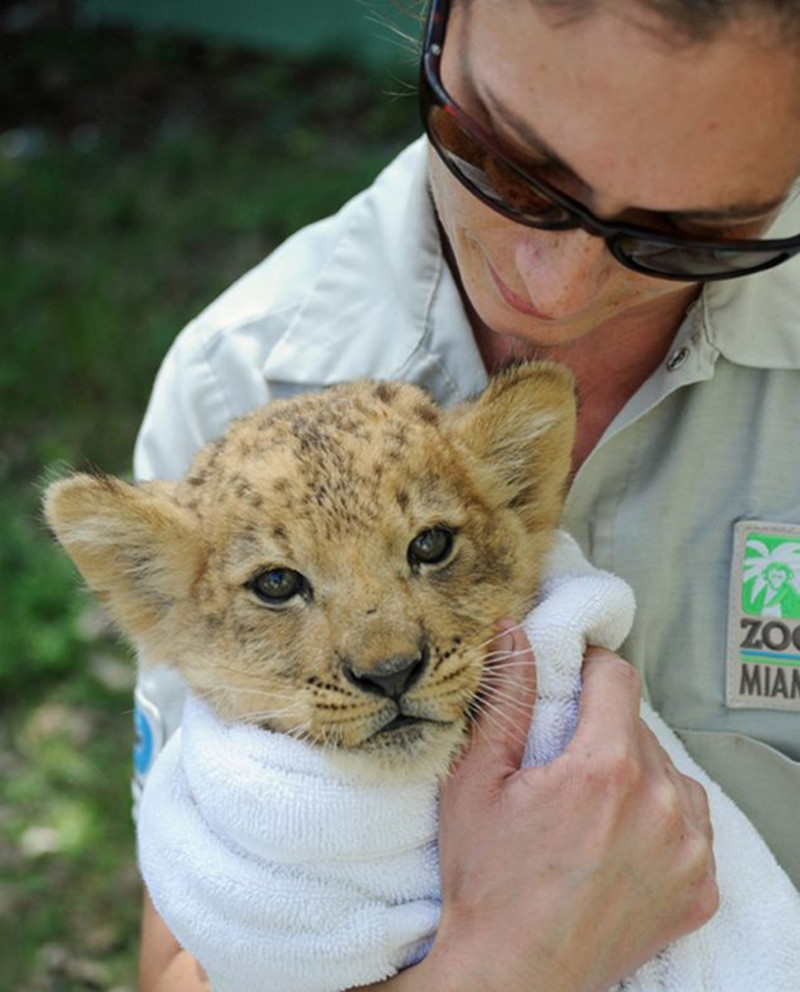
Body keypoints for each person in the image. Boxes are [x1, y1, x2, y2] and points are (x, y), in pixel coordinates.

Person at [133, 0, 800, 989]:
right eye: (502, 161)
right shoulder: (238, 384)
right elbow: (183, 955)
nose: (554, 289)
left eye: (688, 234)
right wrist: (506, 962)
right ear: (439, 23)